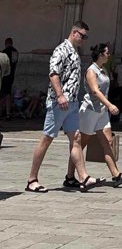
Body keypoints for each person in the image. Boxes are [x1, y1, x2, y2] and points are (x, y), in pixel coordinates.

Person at [25, 21, 99, 194]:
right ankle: (32, 179)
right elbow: (53, 73)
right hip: (59, 103)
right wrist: (60, 95)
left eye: (86, 37)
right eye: (82, 35)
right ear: (74, 33)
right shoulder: (61, 50)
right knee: (47, 138)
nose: (84, 39)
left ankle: (83, 177)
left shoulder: (74, 52)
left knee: (76, 139)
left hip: (72, 103)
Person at [76, 42, 122, 187]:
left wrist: (106, 106)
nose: (109, 55)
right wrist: (110, 104)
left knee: (107, 141)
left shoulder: (103, 70)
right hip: (90, 110)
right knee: (80, 144)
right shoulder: (91, 71)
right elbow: (95, 91)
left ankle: (116, 174)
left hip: (101, 112)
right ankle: (71, 175)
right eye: (107, 53)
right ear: (100, 54)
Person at [0, 37, 19, 119]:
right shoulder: (16, 52)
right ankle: (8, 113)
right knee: (8, 94)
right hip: (11, 75)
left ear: (6, 43)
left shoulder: (4, 53)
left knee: (1, 94)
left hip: (4, 76)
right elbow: (14, 63)